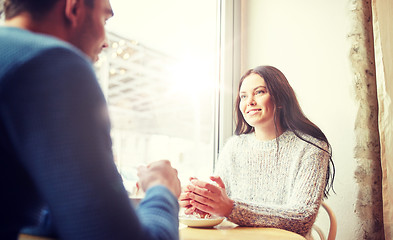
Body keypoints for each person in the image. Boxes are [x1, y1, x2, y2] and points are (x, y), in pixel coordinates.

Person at [0, 0, 181, 239]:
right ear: (73, 8)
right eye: (104, 19)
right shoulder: (51, 63)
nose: (106, 42)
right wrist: (162, 188)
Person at [179, 65, 335, 238]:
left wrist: (231, 208)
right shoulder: (233, 147)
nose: (249, 102)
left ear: (281, 99)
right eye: (243, 96)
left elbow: (302, 217)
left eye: (259, 92)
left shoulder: (311, 148)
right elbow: (220, 210)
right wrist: (201, 202)